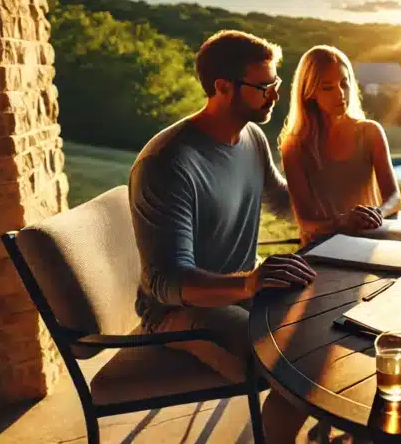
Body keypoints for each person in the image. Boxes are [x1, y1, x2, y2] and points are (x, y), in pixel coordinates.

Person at [129, 29, 317, 441]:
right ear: (222, 87)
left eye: (276, 84)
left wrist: (337, 217)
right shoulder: (167, 164)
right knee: (293, 366)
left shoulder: (251, 136)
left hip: (239, 292)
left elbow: (281, 200)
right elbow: (166, 282)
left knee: (325, 328)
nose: (274, 95)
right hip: (177, 314)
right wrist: (250, 282)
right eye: (264, 87)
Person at [278, 45, 401, 245]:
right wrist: (342, 222)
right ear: (309, 92)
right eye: (328, 87)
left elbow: (394, 197)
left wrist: (378, 212)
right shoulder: (294, 146)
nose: (340, 94)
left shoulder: (370, 132)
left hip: (370, 242)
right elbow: (306, 223)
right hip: (322, 250)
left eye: (344, 83)